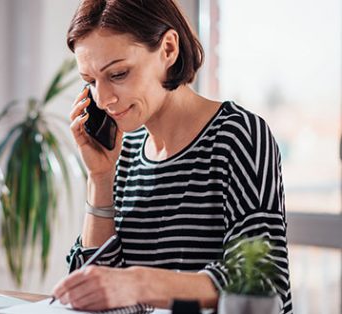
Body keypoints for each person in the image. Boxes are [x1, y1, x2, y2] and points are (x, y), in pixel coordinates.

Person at [51, 0, 292, 313]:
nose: (104, 98)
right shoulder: (124, 154)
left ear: (168, 49)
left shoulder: (238, 135)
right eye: (90, 81)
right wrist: (100, 179)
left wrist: (139, 283)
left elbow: (261, 281)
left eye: (119, 74)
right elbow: (92, 287)